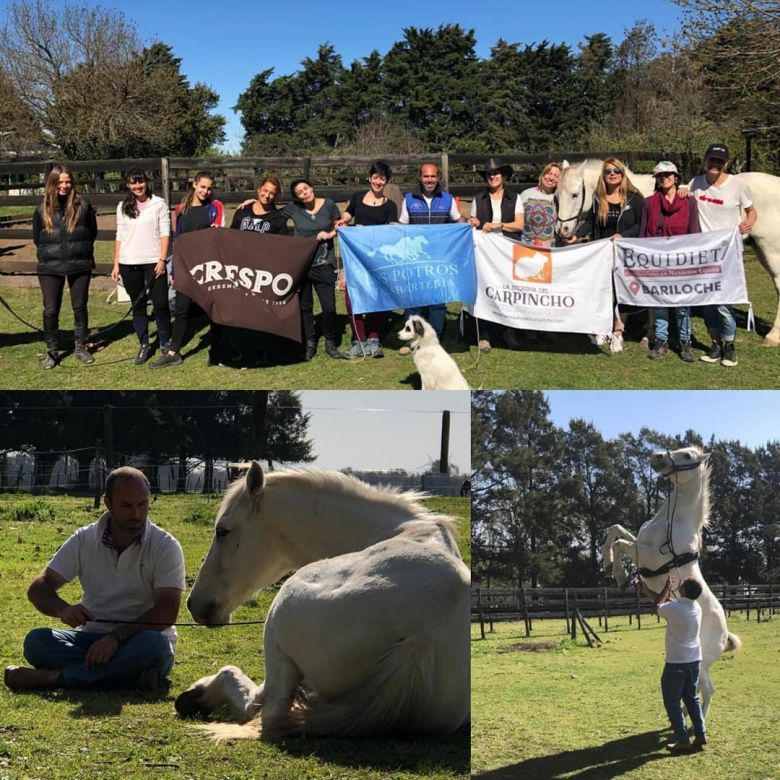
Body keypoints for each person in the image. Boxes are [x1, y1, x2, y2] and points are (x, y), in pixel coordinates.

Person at [4, 467, 185, 692]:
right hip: (88, 639)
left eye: (142, 504)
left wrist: (115, 638)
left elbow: (167, 611)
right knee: (37, 641)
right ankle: (128, 677)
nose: (137, 514)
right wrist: (63, 609)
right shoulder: (84, 539)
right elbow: (38, 588)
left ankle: (56, 679)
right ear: (107, 503)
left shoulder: (165, 546)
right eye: (127, 506)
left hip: (139, 640)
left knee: (155, 647)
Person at [687, 144, 757, 368]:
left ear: (725, 164)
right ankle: (715, 343)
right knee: (707, 301)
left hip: (727, 252)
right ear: (705, 160)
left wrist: (750, 222)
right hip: (703, 254)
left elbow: (751, 210)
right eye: (712, 160)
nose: (715, 164)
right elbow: (683, 198)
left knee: (724, 303)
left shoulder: (737, 184)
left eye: (720, 161)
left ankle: (729, 345)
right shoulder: (695, 183)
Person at [149, 171, 225, 369]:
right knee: (181, 309)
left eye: (209, 188)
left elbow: (221, 236)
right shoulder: (181, 209)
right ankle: (174, 352)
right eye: (202, 187)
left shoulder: (215, 207)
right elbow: (178, 240)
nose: (206, 191)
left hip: (209, 267)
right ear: (194, 185)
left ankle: (217, 350)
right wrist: (174, 270)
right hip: (185, 266)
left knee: (214, 309)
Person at [571, 157, 645, 353]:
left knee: (622, 293)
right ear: (603, 176)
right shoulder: (598, 198)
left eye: (616, 171)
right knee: (603, 291)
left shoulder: (635, 198)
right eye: (608, 171)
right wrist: (576, 235)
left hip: (625, 252)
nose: (612, 174)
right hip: (601, 253)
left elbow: (640, 225)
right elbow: (589, 222)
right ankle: (603, 329)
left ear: (623, 174)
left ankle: (619, 332)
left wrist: (624, 235)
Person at [32, 165, 98, 370]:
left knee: (79, 306)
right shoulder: (41, 209)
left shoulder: (83, 206)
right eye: (60, 182)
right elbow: (37, 238)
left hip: (79, 264)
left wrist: (80, 250)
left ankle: (80, 346)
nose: (64, 185)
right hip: (50, 266)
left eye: (68, 181)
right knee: (51, 309)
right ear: (52, 184)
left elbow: (92, 232)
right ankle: (52, 351)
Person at [398, 162, 465, 354]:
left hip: (439, 259)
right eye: (426, 176)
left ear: (438, 178)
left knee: (437, 302)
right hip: (416, 259)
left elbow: (458, 220)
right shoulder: (409, 199)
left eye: (433, 176)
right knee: (414, 299)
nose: (429, 180)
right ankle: (411, 340)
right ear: (420, 178)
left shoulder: (447, 198)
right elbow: (402, 224)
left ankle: (434, 339)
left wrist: (470, 224)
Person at [336, 160, 398, 359]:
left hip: (377, 260)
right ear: (369, 178)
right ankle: (358, 340)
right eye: (375, 177)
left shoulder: (390, 205)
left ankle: (373, 338)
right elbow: (346, 217)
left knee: (375, 298)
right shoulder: (357, 197)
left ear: (386, 181)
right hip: (355, 257)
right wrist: (344, 223)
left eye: (382, 178)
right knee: (351, 299)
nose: (378, 182)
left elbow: (389, 232)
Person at [225, 176, 290, 365]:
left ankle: (261, 350)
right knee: (239, 312)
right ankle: (238, 350)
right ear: (259, 189)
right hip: (240, 270)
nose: (267, 195)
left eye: (272, 193)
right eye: (265, 190)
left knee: (261, 313)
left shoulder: (278, 218)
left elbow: (283, 246)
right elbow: (231, 237)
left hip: (263, 273)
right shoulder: (243, 211)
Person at [638, 575, 707, 753]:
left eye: (682, 585)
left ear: (683, 591)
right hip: (694, 661)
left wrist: (667, 587)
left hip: (677, 663)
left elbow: (657, 607)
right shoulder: (695, 606)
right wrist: (646, 590)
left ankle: (683, 740)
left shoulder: (676, 608)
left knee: (672, 701)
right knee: (692, 698)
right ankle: (700, 733)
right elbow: (666, 603)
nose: (680, 586)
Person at [641, 161, 701, 363]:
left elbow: (695, 232)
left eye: (668, 174)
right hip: (657, 261)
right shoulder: (649, 203)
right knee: (660, 303)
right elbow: (643, 234)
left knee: (683, 304)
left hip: (681, 261)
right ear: (656, 180)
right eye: (660, 175)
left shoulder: (689, 202)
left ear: (676, 177)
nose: (664, 178)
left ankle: (685, 342)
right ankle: (661, 341)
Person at [111, 169, 171, 366]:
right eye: (133, 183)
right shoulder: (122, 206)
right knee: (138, 305)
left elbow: (165, 233)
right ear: (127, 185)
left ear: (147, 182)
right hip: (129, 262)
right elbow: (120, 235)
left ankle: (165, 342)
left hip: (153, 261)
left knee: (161, 304)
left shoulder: (159, 204)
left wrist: (162, 260)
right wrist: (116, 264)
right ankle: (144, 344)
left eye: (140, 182)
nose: (137, 186)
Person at [283, 178, 346, 360]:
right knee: (305, 306)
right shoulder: (294, 208)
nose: (304, 193)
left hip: (324, 263)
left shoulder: (328, 205)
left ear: (311, 188)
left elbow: (340, 224)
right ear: (297, 198)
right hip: (302, 265)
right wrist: (251, 203)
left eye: (305, 188)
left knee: (329, 307)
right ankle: (310, 342)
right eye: (300, 193)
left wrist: (330, 233)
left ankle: (330, 342)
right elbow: (272, 215)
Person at [468, 158, 524, 353]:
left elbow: (519, 224)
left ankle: (509, 332)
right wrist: (473, 220)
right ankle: (484, 334)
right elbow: (473, 221)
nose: (492, 176)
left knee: (508, 290)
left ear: (504, 176)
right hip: (486, 253)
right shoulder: (478, 198)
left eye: (496, 173)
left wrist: (499, 225)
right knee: (485, 289)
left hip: (508, 251)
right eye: (489, 174)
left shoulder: (515, 198)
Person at [519, 162, 561, 247]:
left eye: (556, 176)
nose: (551, 178)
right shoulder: (526, 194)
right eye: (549, 173)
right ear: (542, 175)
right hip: (525, 245)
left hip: (550, 246)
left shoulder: (559, 198)